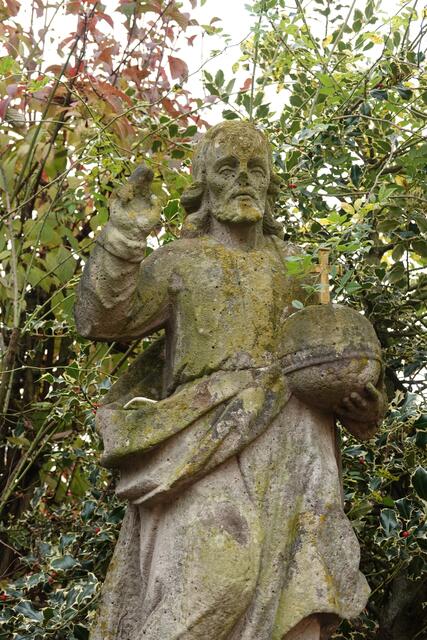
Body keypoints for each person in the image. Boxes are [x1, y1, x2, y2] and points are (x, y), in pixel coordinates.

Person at [75, 121, 386, 640]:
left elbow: (331, 355)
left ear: (269, 183)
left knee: (299, 604)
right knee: (218, 577)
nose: (243, 179)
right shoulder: (181, 261)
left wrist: (365, 406)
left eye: (255, 169)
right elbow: (101, 319)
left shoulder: (298, 266)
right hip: (206, 438)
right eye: (227, 168)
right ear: (203, 183)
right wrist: (123, 238)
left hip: (298, 445)